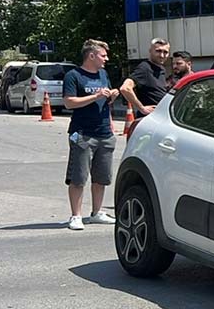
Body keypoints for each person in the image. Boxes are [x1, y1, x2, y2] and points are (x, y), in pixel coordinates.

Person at [62, 39, 119, 231]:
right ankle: (76, 215)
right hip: (82, 134)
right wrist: (95, 96)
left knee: (102, 177)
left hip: (104, 133)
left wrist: (111, 97)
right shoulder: (73, 76)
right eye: (103, 55)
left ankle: (96, 213)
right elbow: (69, 102)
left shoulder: (103, 74)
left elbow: (105, 102)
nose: (106, 59)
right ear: (92, 56)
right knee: (78, 177)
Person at [119, 38, 170, 116]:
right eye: (158, 51)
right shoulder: (144, 68)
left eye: (165, 52)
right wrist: (141, 108)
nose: (162, 55)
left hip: (161, 115)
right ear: (150, 51)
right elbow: (125, 88)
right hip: (149, 117)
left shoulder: (161, 69)